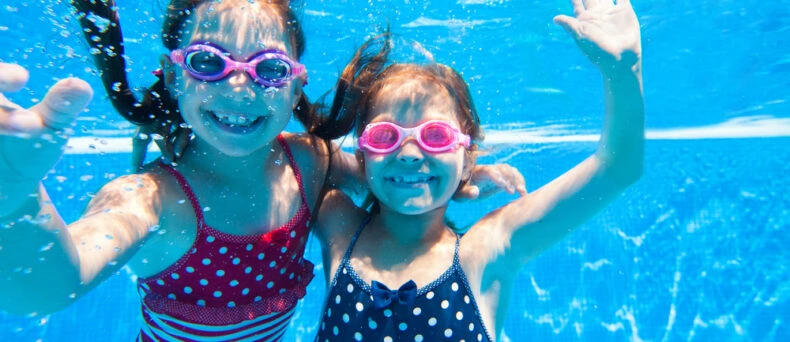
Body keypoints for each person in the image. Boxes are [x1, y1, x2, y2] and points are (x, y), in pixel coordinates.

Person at [0, 0, 524, 340]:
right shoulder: (149, 200)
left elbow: (386, 174)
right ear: (174, 77)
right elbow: (45, 289)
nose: (239, 87)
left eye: (270, 69)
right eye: (209, 62)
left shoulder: (309, 163)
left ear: (296, 87)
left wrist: (459, 179)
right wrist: (14, 197)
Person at [312, 0, 644, 341]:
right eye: (385, 136)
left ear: (468, 155)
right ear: (362, 153)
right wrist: (458, 180)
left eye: (436, 137)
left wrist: (623, 74)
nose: (410, 154)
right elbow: (299, 156)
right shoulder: (337, 222)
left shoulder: (486, 248)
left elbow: (617, 169)